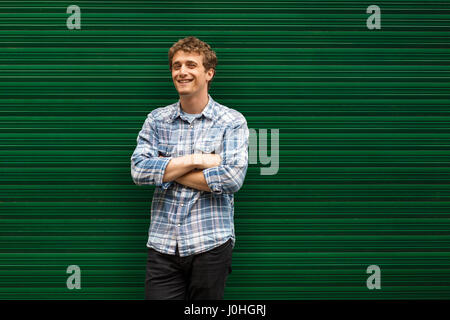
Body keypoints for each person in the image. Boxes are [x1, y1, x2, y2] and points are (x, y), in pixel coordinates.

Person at [130, 36, 249, 300]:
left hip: (211, 244)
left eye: (191, 65)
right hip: (163, 246)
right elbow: (139, 171)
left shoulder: (232, 121)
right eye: (176, 65)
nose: (182, 72)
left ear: (209, 73)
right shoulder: (157, 120)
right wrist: (198, 159)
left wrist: (167, 168)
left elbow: (231, 178)